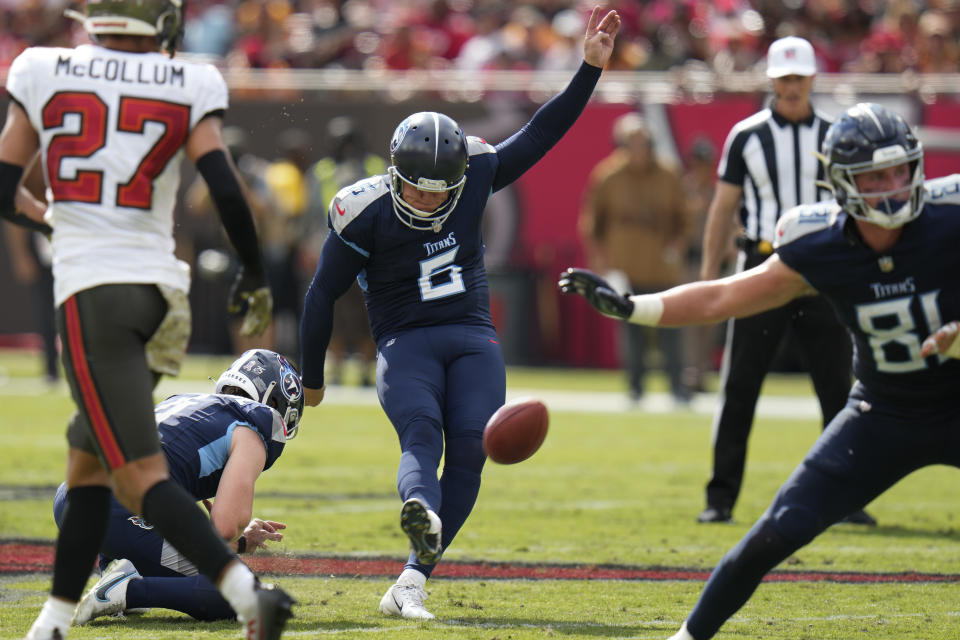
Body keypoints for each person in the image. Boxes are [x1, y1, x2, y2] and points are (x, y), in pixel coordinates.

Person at [559, 102, 960, 640]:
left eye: (900, 170)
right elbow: (721, 297)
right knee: (778, 529)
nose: (893, 185)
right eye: (875, 175)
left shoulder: (948, 217)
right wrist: (636, 307)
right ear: (842, 183)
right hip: (882, 412)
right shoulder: (820, 244)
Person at [299, 6, 621, 620]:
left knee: (473, 449)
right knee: (421, 432)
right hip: (405, 340)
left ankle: (412, 580)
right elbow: (321, 295)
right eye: (416, 185)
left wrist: (588, 70)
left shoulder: (474, 170)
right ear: (394, 172)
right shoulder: (361, 211)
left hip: (472, 334)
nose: (426, 197)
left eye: (437, 188)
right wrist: (312, 378)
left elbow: (541, 133)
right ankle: (419, 507)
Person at [0, 2, 293, 638]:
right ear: (160, 24)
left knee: (130, 468)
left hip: (93, 287)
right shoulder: (188, 79)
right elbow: (222, 184)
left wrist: (56, 220)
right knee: (96, 457)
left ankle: (242, 593)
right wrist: (253, 270)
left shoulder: (42, 67)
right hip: (160, 294)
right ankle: (52, 622)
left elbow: (3, 185)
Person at [696, 36, 871, 525]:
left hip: (822, 270)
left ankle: (848, 497)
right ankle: (720, 498)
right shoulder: (747, 135)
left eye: (799, 78)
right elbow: (724, 208)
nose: (792, 87)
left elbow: (857, 209)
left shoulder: (839, 135)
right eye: (784, 78)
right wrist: (710, 276)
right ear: (772, 80)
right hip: (760, 264)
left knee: (838, 388)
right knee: (740, 387)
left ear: (812, 79)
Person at [55, 349, 304, 625]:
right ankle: (126, 590)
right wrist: (237, 538)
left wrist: (240, 540)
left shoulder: (187, 402)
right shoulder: (250, 431)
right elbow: (222, 527)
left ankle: (116, 569)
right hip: (115, 510)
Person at [578, 112, 691, 405]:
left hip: (662, 268)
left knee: (670, 328)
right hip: (626, 268)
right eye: (632, 142)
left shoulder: (668, 174)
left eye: (643, 142)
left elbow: (685, 218)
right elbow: (592, 224)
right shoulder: (607, 177)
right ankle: (635, 388)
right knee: (631, 332)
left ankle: (678, 387)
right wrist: (600, 264)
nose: (639, 148)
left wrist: (677, 245)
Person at [303, 116, 383, 387]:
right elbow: (312, 214)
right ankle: (334, 368)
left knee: (368, 313)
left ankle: (366, 370)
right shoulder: (321, 171)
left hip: (368, 251)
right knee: (332, 311)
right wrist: (310, 246)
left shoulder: (375, 166)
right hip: (330, 246)